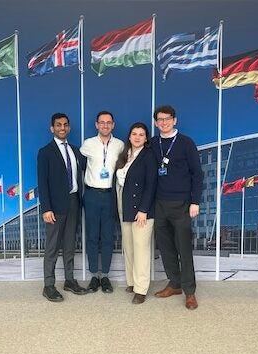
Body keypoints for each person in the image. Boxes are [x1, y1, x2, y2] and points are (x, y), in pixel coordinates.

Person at [151, 105, 204, 310]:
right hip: (159, 203)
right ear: (156, 123)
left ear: (175, 120)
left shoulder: (185, 143)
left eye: (167, 119)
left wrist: (195, 202)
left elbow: (197, 175)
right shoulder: (153, 143)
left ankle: (189, 292)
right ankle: (174, 284)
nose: (163, 122)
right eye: (160, 119)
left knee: (183, 249)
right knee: (165, 248)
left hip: (182, 204)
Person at [37, 113, 87, 302]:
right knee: (52, 247)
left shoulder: (76, 151)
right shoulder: (45, 152)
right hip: (55, 207)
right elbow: (43, 182)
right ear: (52, 128)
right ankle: (48, 285)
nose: (62, 128)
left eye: (65, 125)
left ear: (69, 128)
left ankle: (69, 280)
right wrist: (46, 209)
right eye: (58, 125)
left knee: (69, 245)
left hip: (74, 202)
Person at [80, 111, 125, 293]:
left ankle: (105, 276)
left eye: (108, 123)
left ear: (113, 125)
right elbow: (81, 166)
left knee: (107, 237)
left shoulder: (120, 145)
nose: (105, 126)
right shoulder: (88, 144)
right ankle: (93, 276)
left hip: (109, 195)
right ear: (96, 125)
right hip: (91, 195)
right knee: (92, 237)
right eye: (102, 122)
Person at [113, 122, 157, 304]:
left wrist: (144, 210)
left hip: (141, 211)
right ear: (129, 136)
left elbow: (151, 185)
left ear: (146, 138)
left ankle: (141, 289)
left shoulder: (148, 156)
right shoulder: (125, 155)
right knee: (129, 248)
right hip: (125, 206)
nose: (137, 137)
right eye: (134, 134)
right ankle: (132, 282)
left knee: (141, 249)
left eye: (141, 134)